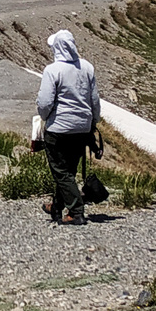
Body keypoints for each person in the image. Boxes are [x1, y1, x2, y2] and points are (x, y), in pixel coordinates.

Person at [36, 29, 100, 226]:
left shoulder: (53, 70)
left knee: (60, 171)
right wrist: (93, 123)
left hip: (59, 128)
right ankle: (56, 206)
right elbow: (94, 100)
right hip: (82, 128)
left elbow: (45, 102)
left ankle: (76, 210)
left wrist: (45, 118)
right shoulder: (87, 68)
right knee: (68, 171)